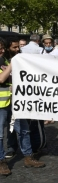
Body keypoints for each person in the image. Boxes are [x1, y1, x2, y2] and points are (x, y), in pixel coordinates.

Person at [0, 37, 45, 175]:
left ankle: (28, 156)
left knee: (24, 130)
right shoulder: (10, 62)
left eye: (2, 48)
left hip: (14, 102)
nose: (2, 51)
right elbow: (1, 79)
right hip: (1, 105)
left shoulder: (6, 61)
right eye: (0, 48)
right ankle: (2, 162)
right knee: (0, 135)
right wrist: (11, 66)